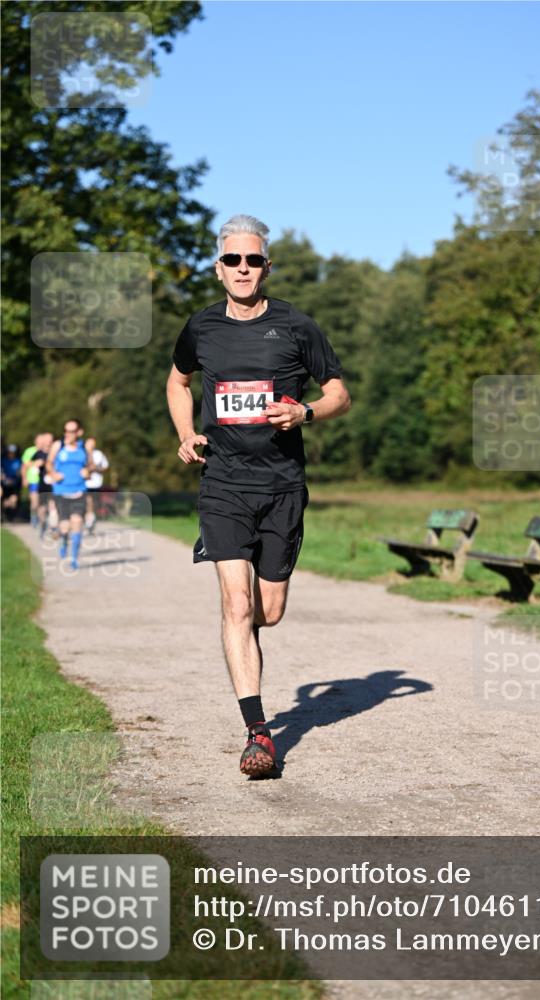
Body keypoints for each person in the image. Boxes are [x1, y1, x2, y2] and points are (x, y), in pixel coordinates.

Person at [167, 214, 350, 778]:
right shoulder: (201, 327)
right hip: (223, 484)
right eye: (233, 259)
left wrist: (306, 412)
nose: (242, 268)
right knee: (237, 605)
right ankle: (258, 733)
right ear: (218, 268)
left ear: (266, 267)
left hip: (282, 487)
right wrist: (186, 433)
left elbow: (340, 394)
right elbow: (177, 381)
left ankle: (241, 632)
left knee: (267, 611)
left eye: (252, 260)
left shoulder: (296, 326)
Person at [46, 419, 91, 570]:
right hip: (61, 491)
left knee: (77, 522)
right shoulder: (58, 446)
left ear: (79, 432)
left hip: (79, 490)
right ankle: (64, 541)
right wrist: (53, 473)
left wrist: (88, 471)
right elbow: (49, 463)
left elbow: (91, 465)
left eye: (71, 431)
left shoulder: (84, 447)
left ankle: (74, 559)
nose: (68, 434)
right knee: (65, 527)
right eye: (66, 431)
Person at [84, 436, 110, 534]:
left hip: (96, 483)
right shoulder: (81, 453)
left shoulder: (99, 454)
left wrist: (97, 469)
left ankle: (91, 519)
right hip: (83, 483)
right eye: (89, 443)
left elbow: (105, 467)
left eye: (92, 443)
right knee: (86, 502)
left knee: (92, 503)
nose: (91, 445)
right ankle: (88, 520)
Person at [1, 444, 23, 521]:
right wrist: (4, 478)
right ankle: (4, 514)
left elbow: (19, 472)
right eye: (10, 452)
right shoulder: (3, 461)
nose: (11, 454)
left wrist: (16, 479)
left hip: (15, 484)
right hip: (4, 484)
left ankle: (10, 516)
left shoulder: (18, 461)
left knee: (13, 500)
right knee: (4, 500)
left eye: (13, 452)